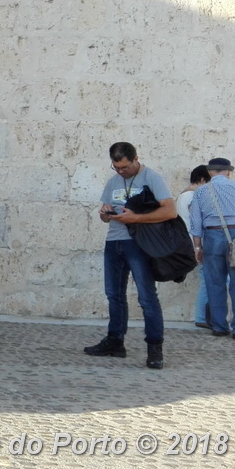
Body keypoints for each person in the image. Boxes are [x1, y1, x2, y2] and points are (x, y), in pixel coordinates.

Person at [85, 142, 175, 369]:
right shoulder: (113, 182)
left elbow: (170, 211)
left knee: (146, 297)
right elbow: (104, 214)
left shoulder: (152, 178)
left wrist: (136, 218)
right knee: (114, 295)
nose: (120, 172)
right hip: (114, 242)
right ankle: (115, 341)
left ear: (136, 158)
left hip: (140, 244)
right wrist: (105, 214)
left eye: (124, 167)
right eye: (116, 167)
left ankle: (154, 347)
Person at [188, 157, 235, 341]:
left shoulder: (200, 191)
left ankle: (219, 327)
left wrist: (197, 246)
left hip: (212, 235)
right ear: (228, 171)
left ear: (209, 172)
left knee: (214, 283)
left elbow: (195, 222)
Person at [176, 165, 211, 328]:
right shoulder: (191, 196)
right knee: (208, 278)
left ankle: (204, 316)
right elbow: (198, 222)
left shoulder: (182, 196)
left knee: (208, 278)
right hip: (196, 243)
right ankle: (202, 317)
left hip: (188, 243)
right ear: (202, 180)